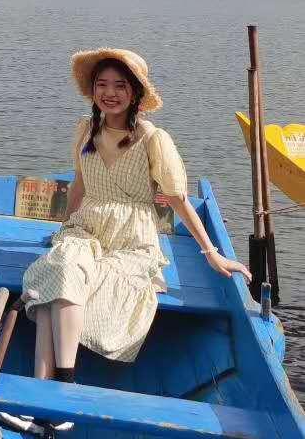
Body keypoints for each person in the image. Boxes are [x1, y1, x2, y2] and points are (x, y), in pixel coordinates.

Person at [21, 47, 251, 383]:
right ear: (93, 89)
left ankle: (58, 386)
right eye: (102, 84)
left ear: (135, 93)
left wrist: (211, 253)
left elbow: (178, 200)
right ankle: (48, 388)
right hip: (86, 229)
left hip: (131, 239)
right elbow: (79, 185)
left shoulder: (153, 139)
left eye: (120, 86)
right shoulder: (86, 130)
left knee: (59, 288)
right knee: (61, 266)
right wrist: (63, 227)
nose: (109, 94)